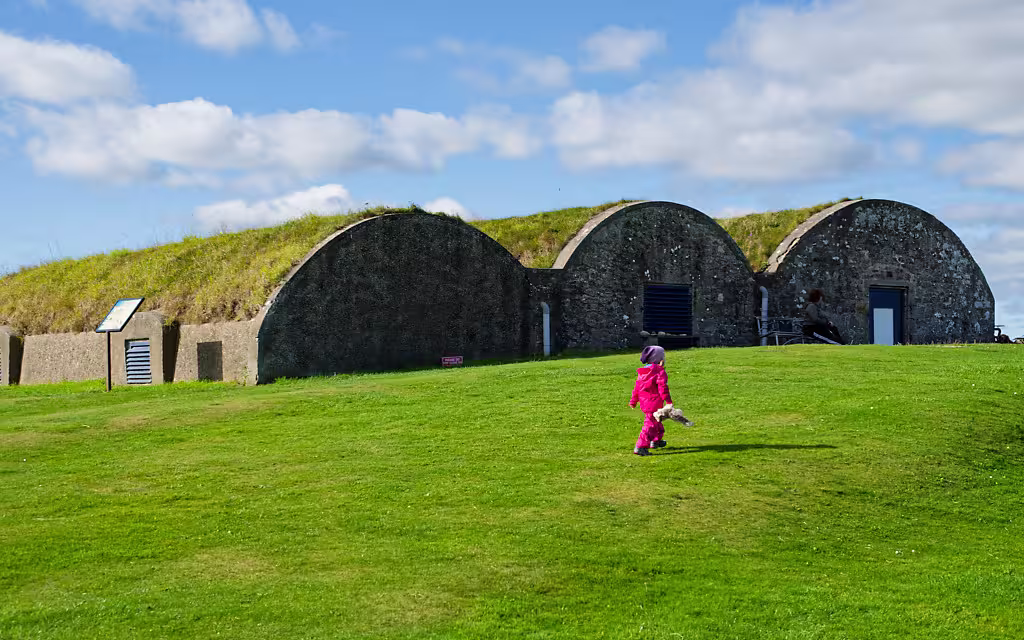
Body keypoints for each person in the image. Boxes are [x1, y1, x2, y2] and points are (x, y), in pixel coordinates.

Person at [628, 345, 693, 456]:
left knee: (656, 422)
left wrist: (633, 401)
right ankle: (640, 447)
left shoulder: (643, 372)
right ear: (659, 359)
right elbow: (662, 387)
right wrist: (668, 401)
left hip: (645, 403)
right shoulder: (658, 371)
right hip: (654, 403)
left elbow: (637, 388)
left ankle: (656, 440)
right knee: (650, 425)